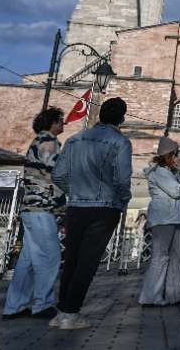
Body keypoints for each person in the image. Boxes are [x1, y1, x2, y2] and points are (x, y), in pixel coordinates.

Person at [49, 97, 133, 330]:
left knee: (72, 259)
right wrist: (122, 200)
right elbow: (122, 180)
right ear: (122, 118)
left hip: (76, 206)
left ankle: (62, 310)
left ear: (100, 115)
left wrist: (74, 192)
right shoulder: (121, 142)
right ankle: (71, 313)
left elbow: (57, 176)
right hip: (104, 207)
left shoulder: (74, 140)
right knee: (87, 262)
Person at [2, 106, 65, 321]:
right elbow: (57, 172)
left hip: (30, 207)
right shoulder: (49, 142)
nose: (63, 124)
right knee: (50, 256)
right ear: (52, 122)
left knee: (28, 260)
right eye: (60, 120)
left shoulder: (37, 141)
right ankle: (43, 304)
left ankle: (15, 305)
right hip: (42, 207)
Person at [139, 137, 180, 306]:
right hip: (163, 218)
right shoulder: (159, 172)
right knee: (160, 257)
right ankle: (150, 296)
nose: (178, 158)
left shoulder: (171, 172)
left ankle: (174, 293)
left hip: (174, 217)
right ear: (170, 155)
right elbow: (177, 191)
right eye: (176, 155)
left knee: (176, 257)